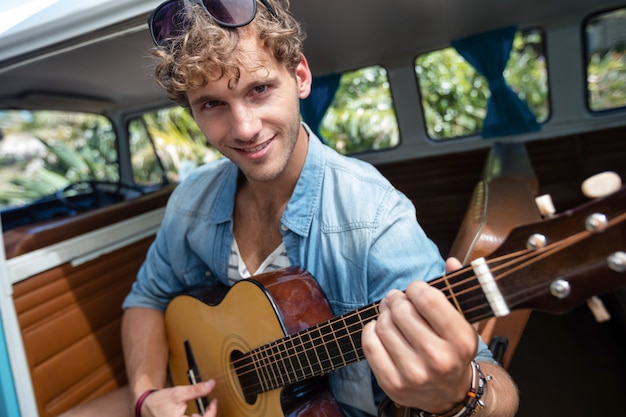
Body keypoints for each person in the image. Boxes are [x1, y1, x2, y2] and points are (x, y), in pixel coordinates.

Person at [61, 0, 519, 416]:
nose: (244, 127)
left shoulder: (374, 217)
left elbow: (494, 383)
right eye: (213, 104)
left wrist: (459, 393)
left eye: (259, 89)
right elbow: (147, 298)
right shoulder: (191, 200)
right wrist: (146, 397)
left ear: (300, 76)